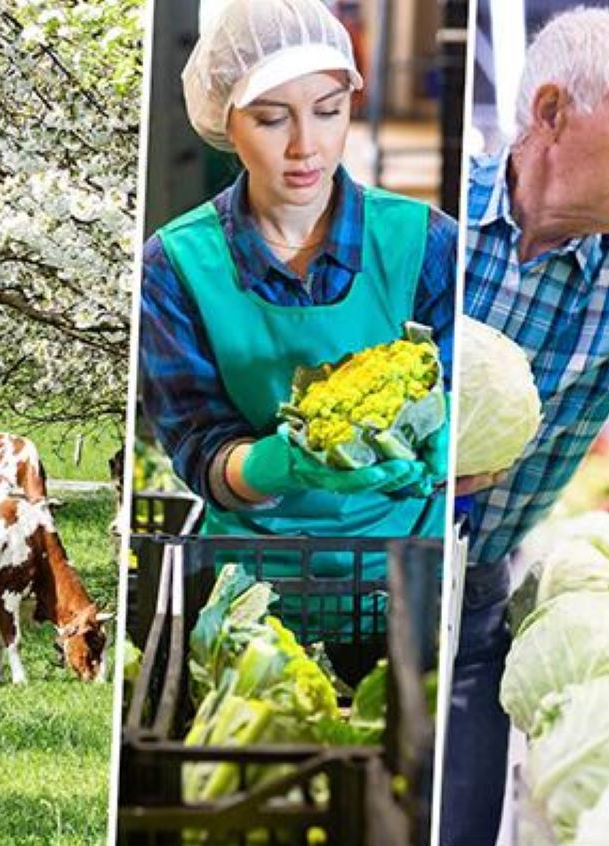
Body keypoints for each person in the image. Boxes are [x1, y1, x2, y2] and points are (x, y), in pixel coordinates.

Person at [442, 7, 609, 846]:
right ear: (553, 112)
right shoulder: (429, 222)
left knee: (458, 829)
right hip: (355, 559)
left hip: (479, 601)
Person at [138, 0, 454, 668]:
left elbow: (467, 398)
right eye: (272, 117)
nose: (305, 145)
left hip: (403, 578)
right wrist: (276, 462)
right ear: (224, 119)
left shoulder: (425, 243)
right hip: (252, 588)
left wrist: (454, 442)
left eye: (329, 109)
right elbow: (198, 440)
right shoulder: (174, 265)